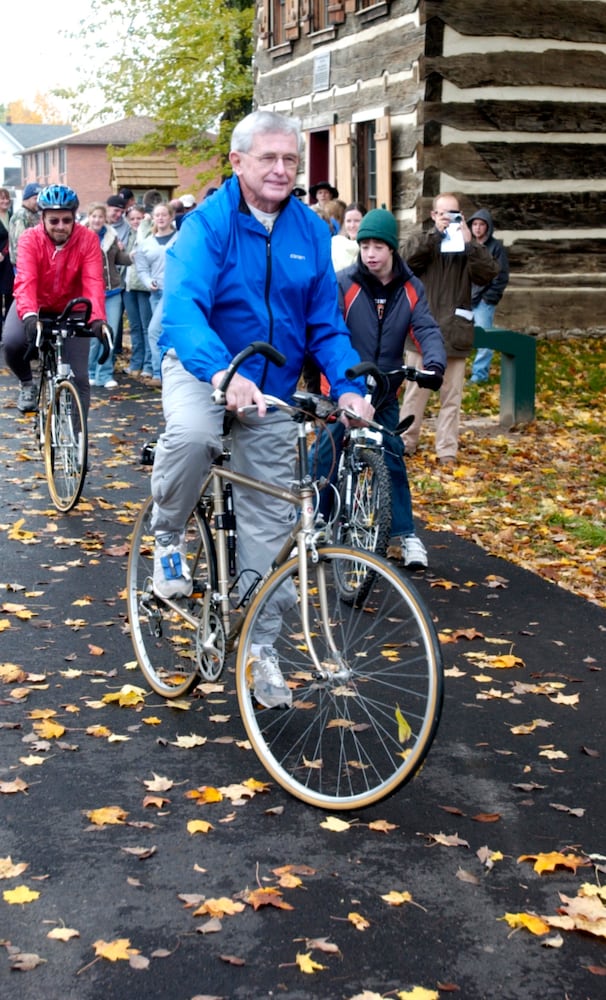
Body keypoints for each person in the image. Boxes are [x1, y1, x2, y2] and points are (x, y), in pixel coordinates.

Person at [150, 109, 372, 709]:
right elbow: (182, 311)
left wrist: (347, 385)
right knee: (196, 438)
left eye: (290, 159)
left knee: (273, 527)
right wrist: (224, 373)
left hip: (270, 388)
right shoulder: (208, 226)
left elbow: (325, 323)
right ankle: (167, 533)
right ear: (238, 161)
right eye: (268, 158)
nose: (280, 169)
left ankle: (259, 648)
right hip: (206, 367)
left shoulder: (308, 230)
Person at [315, 208, 446, 569]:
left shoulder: (410, 288)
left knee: (392, 455)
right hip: (343, 387)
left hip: (386, 388)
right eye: (365, 246)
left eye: (378, 246)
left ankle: (405, 535)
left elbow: (427, 329)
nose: (371, 253)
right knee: (326, 453)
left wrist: (434, 364)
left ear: (392, 249)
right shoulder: (344, 283)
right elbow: (325, 330)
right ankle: (318, 524)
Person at [399, 192, 499, 465]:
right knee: (415, 394)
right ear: (433, 215)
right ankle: (406, 443)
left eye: (454, 213)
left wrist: (471, 244)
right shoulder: (423, 240)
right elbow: (404, 261)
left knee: (451, 398)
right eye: (443, 213)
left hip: (455, 332)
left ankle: (446, 451)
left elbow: (488, 274)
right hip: (422, 332)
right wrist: (435, 236)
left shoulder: (468, 246)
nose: (449, 218)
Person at [2, 184, 106, 414]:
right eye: (54, 221)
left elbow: (93, 280)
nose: (61, 226)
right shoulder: (30, 238)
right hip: (35, 305)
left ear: (74, 218)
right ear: (43, 218)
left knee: (79, 377)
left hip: (74, 306)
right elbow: (26, 279)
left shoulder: (87, 239)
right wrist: (29, 315)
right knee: (11, 342)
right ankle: (27, 383)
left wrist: (97, 318)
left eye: (66, 220)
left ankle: (77, 442)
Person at [85, 203, 132, 388]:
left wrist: (132, 256)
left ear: (105, 219)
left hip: (112, 290)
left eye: (100, 217)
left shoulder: (112, 236)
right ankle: (89, 371)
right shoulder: (80, 236)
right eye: (94, 216)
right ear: (89, 217)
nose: (97, 220)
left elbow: (118, 259)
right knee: (93, 335)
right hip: (91, 292)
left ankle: (105, 373)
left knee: (110, 332)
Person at [133, 202, 177, 383]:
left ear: (171, 217)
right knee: (161, 334)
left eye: (164, 214)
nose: (160, 218)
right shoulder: (146, 243)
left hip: (173, 293)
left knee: (154, 331)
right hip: (155, 293)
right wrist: (147, 281)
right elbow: (141, 268)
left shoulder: (180, 238)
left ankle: (160, 374)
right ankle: (166, 371)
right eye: (157, 215)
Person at [467, 208, 510, 384]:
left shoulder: (496, 247)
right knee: (458, 335)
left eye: (481, 224)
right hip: (466, 298)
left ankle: (479, 374)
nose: (477, 228)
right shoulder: (467, 244)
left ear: (488, 227)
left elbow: (501, 275)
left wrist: (489, 297)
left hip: (484, 300)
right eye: (475, 224)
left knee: (485, 338)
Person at [123, 204, 153, 377]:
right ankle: (136, 363)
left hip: (143, 286)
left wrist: (145, 223)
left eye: (139, 218)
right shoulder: (128, 235)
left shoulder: (147, 233)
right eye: (132, 219)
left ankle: (148, 365)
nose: (135, 222)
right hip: (129, 286)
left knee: (146, 327)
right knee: (134, 327)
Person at [8, 183, 42, 267]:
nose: (38, 202)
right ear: (26, 199)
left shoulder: (36, 214)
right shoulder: (20, 216)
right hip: (24, 266)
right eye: (35, 198)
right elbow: (21, 245)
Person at [331, 201, 367, 272]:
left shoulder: (370, 249)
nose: (352, 225)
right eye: (348, 221)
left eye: (357, 221)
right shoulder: (335, 244)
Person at [0, 187, 14, 339]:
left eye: (6, 198)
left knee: (11, 295)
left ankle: (9, 333)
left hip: (10, 263)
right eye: (1, 198)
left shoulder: (12, 216)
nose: (5, 201)